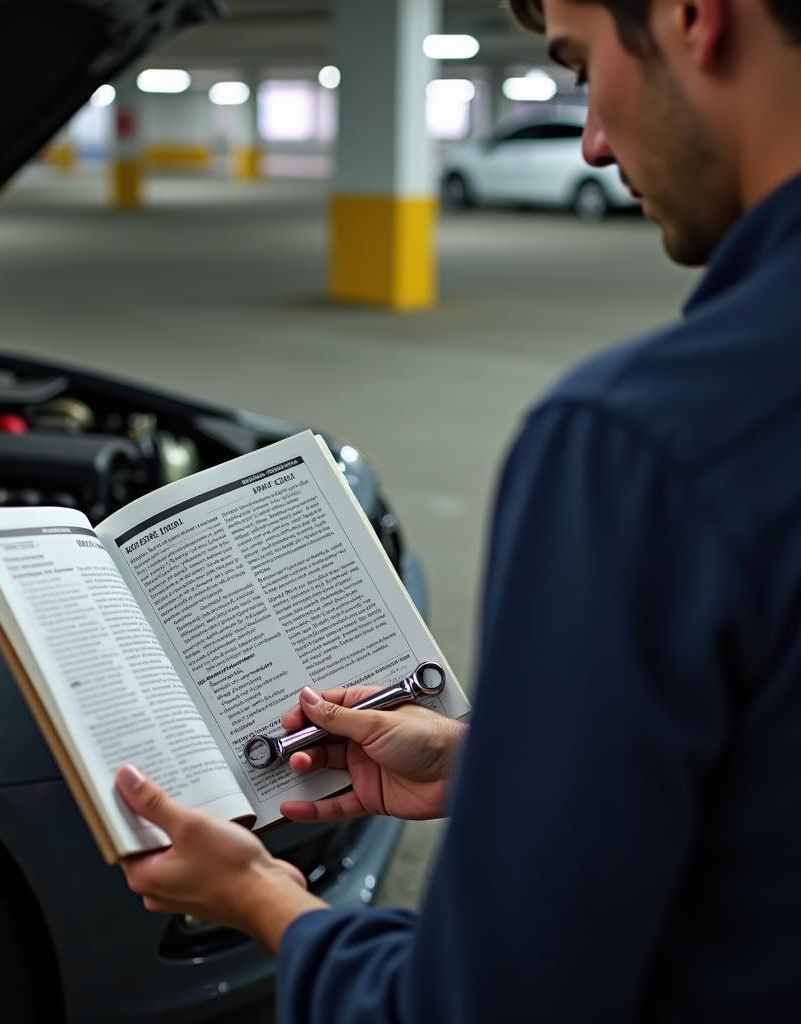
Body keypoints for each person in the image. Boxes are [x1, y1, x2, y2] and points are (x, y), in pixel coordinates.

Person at [115, 0, 801, 1019]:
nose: (595, 142)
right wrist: (500, 772)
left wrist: (266, 901)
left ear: (694, 17)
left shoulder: (642, 445)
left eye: (580, 68)